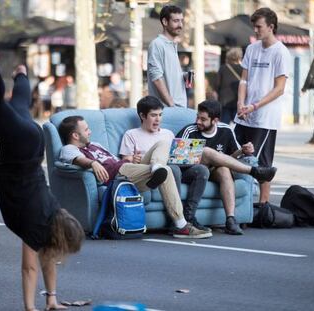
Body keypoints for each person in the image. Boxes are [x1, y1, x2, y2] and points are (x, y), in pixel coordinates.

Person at [0, 41, 85, 311]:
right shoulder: (36, 228)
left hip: (33, 144)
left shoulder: (55, 212)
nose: (59, 254)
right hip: (19, 151)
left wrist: (52, 299)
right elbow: (28, 268)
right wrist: (29, 308)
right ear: (59, 238)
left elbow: (49, 256)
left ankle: (21, 74)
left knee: (19, 104)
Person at [58, 115, 211, 239]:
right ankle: (181, 225)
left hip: (127, 169)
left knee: (164, 143)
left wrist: (132, 160)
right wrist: (93, 163)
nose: (90, 132)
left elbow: (117, 161)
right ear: (75, 135)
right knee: (167, 171)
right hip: (118, 177)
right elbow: (79, 160)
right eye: (86, 130)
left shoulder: (95, 144)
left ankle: (156, 167)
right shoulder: (68, 149)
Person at [177, 100, 277, 235]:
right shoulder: (189, 130)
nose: (198, 121)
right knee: (206, 151)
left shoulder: (226, 130)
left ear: (215, 120)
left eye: (203, 119)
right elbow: (176, 157)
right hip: (191, 171)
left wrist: (243, 151)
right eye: (197, 117)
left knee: (224, 169)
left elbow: (232, 157)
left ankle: (230, 220)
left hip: (213, 171)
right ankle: (253, 172)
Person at [119, 96, 212, 234]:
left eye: (160, 115)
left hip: (173, 168)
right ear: (142, 116)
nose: (158, 119)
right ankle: (175, 221)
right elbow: (125, 162)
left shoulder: (168, 133)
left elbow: (177, 158)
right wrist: (134, 159)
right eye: (153, 115)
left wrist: (191, 157)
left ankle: (189, 217)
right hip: (147, 170)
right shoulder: (131, 134)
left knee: (201, 170)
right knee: (168, 161)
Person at [234, 7, 290, 204]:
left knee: (262, 164)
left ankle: (263, 206)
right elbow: (244, 81)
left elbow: (280, 88)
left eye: (259, 27)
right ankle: (240, 203)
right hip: (244, 115)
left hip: (264, 118)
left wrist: (255, 106)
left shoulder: (281, 52)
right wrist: (241, 103)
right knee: (234, 157)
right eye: (254, 27)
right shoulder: (251, 48)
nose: (255, 31)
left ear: (271, 27)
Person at [147, 5, 187, 107]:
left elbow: (169, 76)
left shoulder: (172, 45)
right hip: (167, 109)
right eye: (176, 21)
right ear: (165, 22)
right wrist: (171, 105)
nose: (180, 25)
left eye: (181, 21)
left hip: (179, 107)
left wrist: (184, 77)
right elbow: (156, 78)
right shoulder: (157, 44)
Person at [214, 48, 243, 124]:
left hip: (224, 101)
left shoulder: (223, 68)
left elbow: (217, 84)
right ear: (239, 57)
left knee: (224, 125)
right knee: (238, 124)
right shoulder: (243, 69)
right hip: (238, 101)